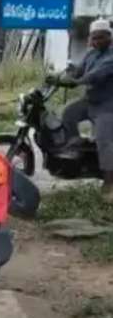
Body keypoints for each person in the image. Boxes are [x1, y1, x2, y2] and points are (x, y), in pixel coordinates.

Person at [55, 17, 113, 196]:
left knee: (104, 142)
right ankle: (77, 148)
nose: (97, 41)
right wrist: (61, 76)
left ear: (109, 37)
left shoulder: (111, 56)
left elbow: (95, 75)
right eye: (94, 38)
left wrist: (77, 82)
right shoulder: (90, 54)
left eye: (101, 37)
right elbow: (79, 70)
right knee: (68, 114)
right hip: (89, 102)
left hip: (106, 106)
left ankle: (109, 183)